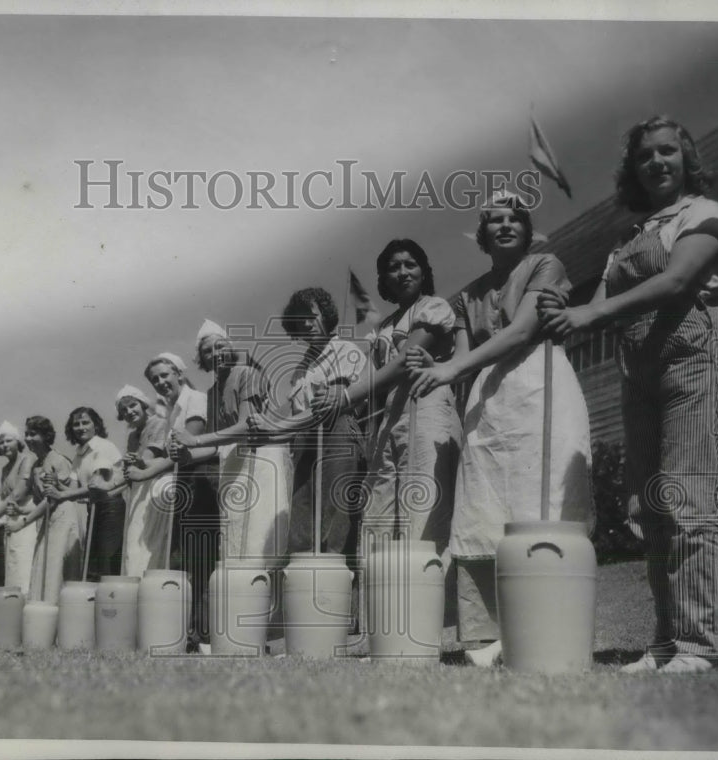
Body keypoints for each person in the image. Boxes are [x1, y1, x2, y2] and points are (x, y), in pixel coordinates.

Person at [537, 116, 718, 674]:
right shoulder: (626, 240)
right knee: (651, 508)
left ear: (686, 157)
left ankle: (703, 644)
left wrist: (592, 311)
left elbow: (675, 282)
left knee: (688, 500)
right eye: (645, 155)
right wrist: (553, 303)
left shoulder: (706, 214)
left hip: (696, 359)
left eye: (667, 151)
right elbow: (590, 312)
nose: (656, 162)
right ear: (633, 170)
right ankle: (666, 641)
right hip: (640, 370)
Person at [408, 195, 595, 667]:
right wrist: (442, 366)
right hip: (488, 402)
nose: (505, 225)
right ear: (483, 236)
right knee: (481, 509)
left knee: (540, 501)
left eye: (515, 219)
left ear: (528, 231)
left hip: (537, 385)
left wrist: (452, 369)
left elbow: (520, 332)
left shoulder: (544, 264)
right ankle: (486, 637)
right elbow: (465, 359)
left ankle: (546, 626)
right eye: (495, 221)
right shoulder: (470, 293)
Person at [312, 241, 462, 610]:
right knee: (378, 516)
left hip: (427, 410)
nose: (403, 272)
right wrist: (341, 393)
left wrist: (346, 396)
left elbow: (400, 364)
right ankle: (383, 621)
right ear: (384, 278)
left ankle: (426, 620)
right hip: (389, 421)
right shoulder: (383, 326)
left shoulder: (434, 308)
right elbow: (370, 383)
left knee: (422, 512)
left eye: (411, 264)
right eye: (393, 267)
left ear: (424, 270)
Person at [247, 287, 368, 564]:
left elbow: (327, 409)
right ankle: (302, 594)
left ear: (325, 315)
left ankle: (338, 596)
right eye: (300, 321)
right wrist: (262, 423)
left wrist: (274, 428)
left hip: (338, 436)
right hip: (306, 443)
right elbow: (287, 412)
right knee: (302, 522)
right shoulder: (301, 368)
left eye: (312, 316)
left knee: (334, 520)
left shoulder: (344, 349)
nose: (307, 325)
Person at [173, 319, 292, 569]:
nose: (215, 354)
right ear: (201, 360)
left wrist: (194, 439)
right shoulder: (213, 392)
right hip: (233, 465)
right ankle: (242, 598)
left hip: (261, 460)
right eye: (208, 351)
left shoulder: (247, 374)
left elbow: (245, 426)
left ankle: (270, 601)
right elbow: (217, 444)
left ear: (230, 348)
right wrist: (187, 456)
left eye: (220, 347)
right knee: (236, 534)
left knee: (261, 533)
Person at [143, 352, 219, 643]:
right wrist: (140, 466)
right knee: (185, 557)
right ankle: (191, 631)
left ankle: (204, 632)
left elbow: (190, 444)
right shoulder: (173, 408)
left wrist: (147, 472)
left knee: (200, 556)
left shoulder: (195, 399)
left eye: (165, 375)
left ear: (178, 373)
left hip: (201, 479)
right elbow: (169, 453)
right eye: (155, 380)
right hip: (184, 480)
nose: (161, 382)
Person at [45, 407, 124, 580]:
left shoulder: (103, 447)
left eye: (85, 422)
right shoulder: (79, 455)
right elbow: (74, 491)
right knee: (92, 561)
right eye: (76, 424)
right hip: (94, 509)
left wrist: (61, 495)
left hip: (111, 509)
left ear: (95, 425)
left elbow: (95, 485)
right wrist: (56, 485)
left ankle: (111, 603)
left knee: (107, 561)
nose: (81, 427)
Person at [114, 384, 173, 578]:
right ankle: (132, 585)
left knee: (148, 541)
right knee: (133, 541)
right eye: (124, 410)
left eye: (132, 405)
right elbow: (132, 467)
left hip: (155, 485)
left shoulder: (158, 423)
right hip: (138, 487)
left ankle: (146, 586)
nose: (129, 412)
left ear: (143, 403)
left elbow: (147, 458)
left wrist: (136, 463)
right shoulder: (132, 435)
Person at [24, 415, 84, 604]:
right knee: (43, 565)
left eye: (33, 434)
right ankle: (41, 614)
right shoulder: (35, 466)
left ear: (45, 436)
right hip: (47, 519)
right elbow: (38, 501)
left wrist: (22, 523)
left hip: (63, 517)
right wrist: (20, 512)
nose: (28, 439)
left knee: (56, 567)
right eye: (26, 434)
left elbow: (58, 498)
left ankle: (56, 613)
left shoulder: (58, 460)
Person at [0, 421, 38, 594]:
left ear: (18, 442)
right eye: (1, 442)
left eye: (8, 440)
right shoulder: (5, 468)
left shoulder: (27, 459)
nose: (4, 445)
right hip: (10, 520)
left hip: (27, 518)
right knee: (12, 565)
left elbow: (18, 493)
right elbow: (4, 497)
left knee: (24, 563)